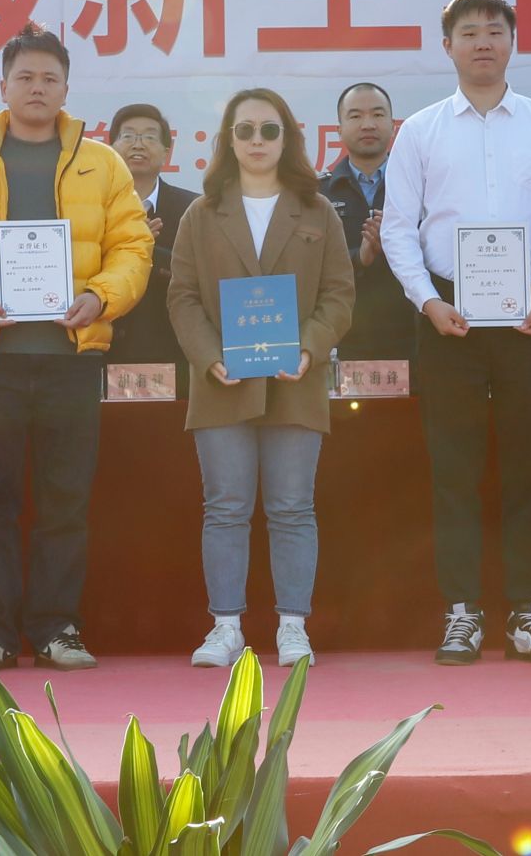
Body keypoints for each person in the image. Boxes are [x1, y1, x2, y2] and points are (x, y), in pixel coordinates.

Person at [0, 23, 152, 673]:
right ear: (3, 87)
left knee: (65, 500)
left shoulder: (104, 163)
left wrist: (101, 296)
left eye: (49, 78)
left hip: (73, 358)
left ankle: (57, 627)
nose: (37, 88)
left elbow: (133, 246)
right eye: (25, 77)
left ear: (67, 89)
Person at [380, 0, 531, 665]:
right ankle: (462, 611)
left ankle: (529, 612)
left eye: (494, 31)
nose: (482, 42)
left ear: (513, 42)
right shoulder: (420, 130)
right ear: (447, 46)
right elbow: (398, 228)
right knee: (454, 471)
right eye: (469, 32)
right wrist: (426, 301)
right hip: (449, 319)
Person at [167, 89, 355, 670]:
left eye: (268, 130)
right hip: (221, 381)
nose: (256, 141)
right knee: (225, 507)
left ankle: (293, 626)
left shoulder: (317, 210)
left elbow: (339, 295)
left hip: (295, 377)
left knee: (292, 507)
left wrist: (310, 347)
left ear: (287, 139)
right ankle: (225, 627)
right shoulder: (202, 214)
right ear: (228, 139)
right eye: (244, 130)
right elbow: (182, 297)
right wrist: (208, 356)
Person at [320, 82, 416, 370]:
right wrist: (359, 257)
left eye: (377, 114)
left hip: (413, 337)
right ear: (339, 130)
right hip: (343, 339)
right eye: (355, 116)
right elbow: (311, 267)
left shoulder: (419, 187)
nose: (368, 124)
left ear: (393, 125)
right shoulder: (317, 195)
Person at [106, 103, 196, 395]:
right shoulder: (91, 209)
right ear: (111, 148)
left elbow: (204, 281)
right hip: (104, 353)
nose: (138, 145)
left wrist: (150, 250)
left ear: (166, 151)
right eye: (128, 136)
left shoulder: (193, 209)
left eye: (149, 137)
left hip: (174, 353)